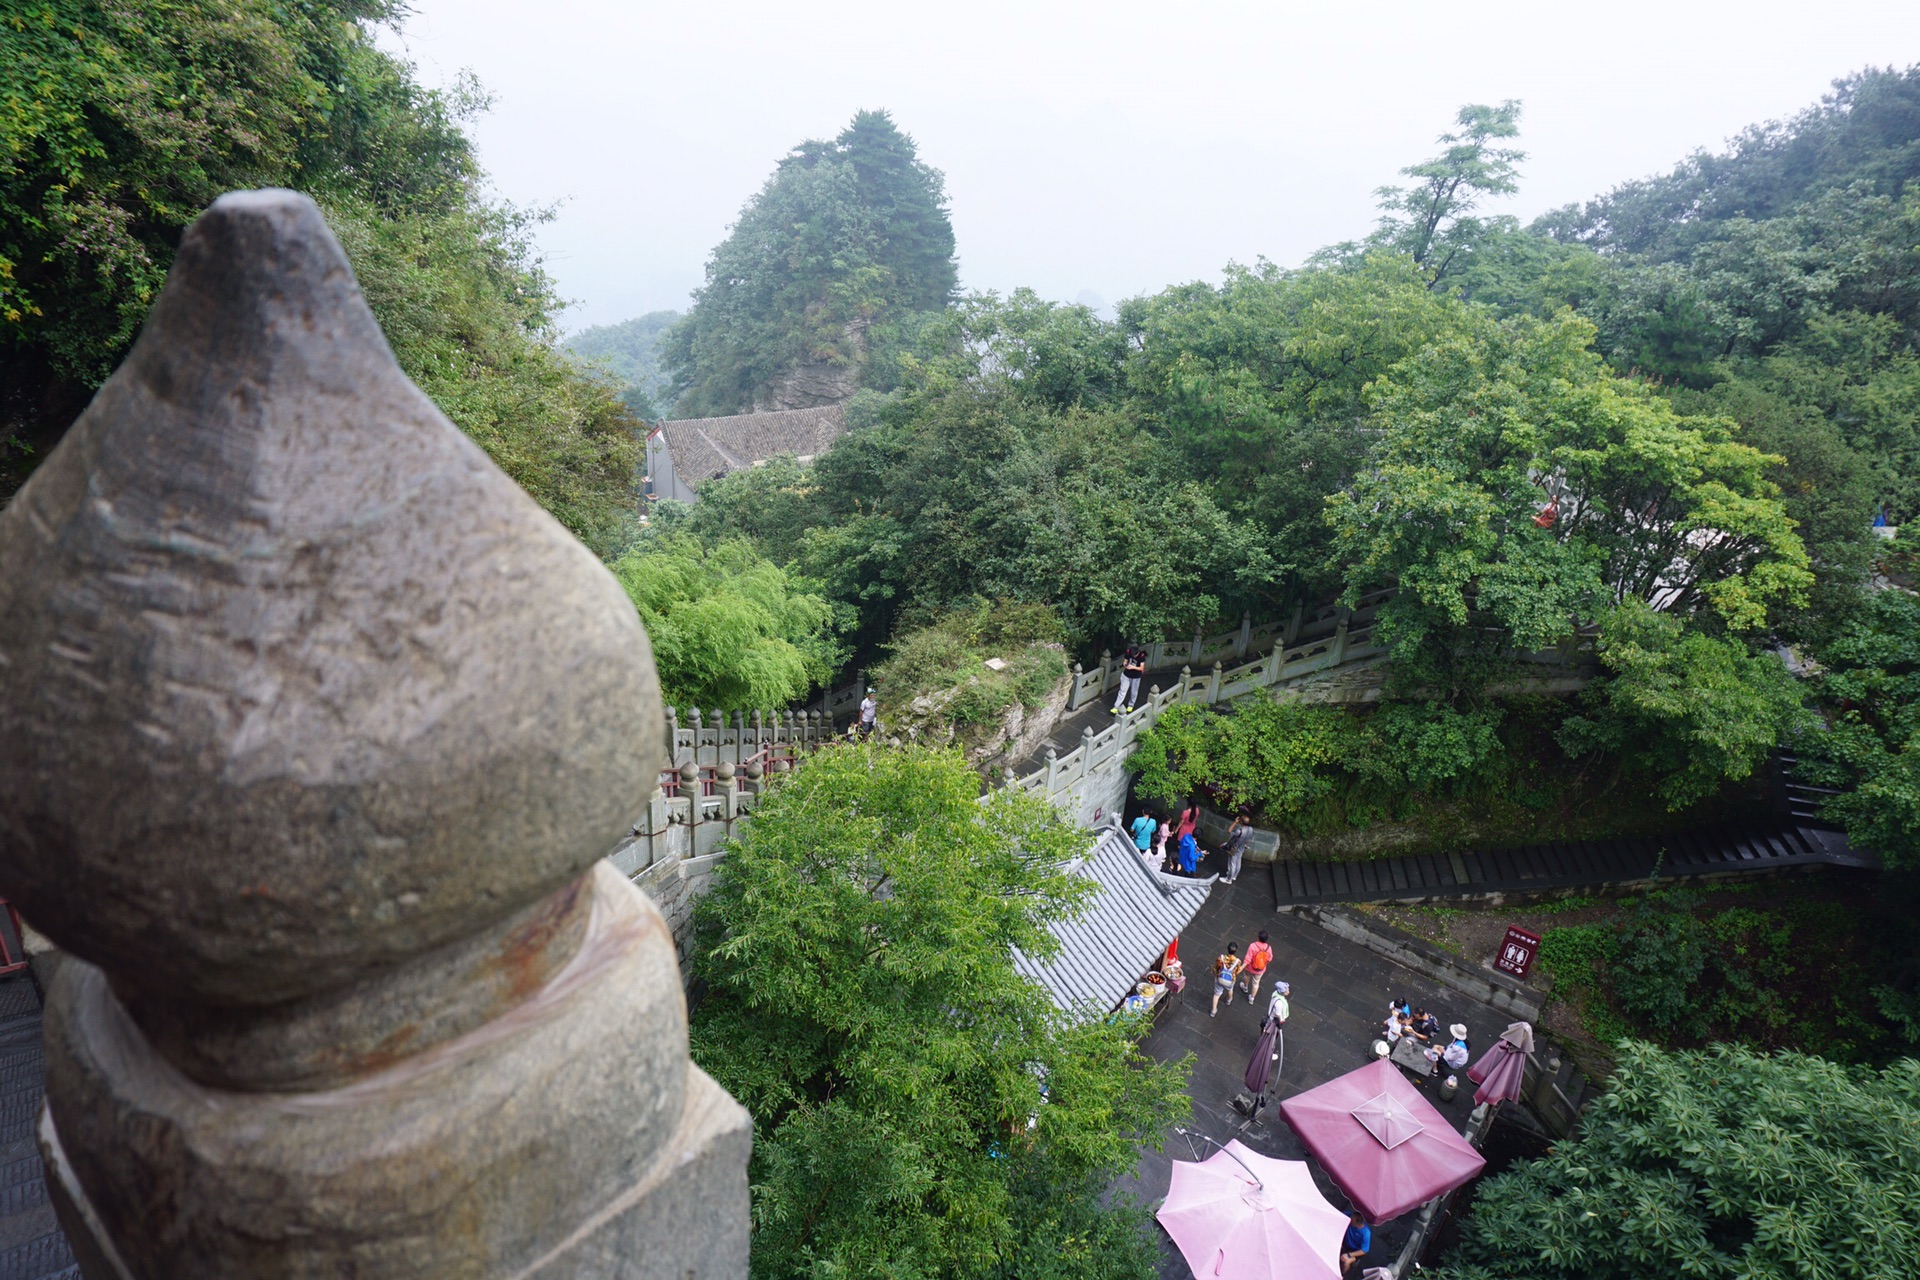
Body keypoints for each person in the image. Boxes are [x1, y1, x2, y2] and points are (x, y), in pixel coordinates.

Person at [1238, 929, 1273, 1000]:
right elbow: (1270, 958)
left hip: (1250, 967)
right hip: (1260, 970)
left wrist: (1241, 967)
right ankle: (1252, 998)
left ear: (1258, 937)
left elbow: (1248, 959)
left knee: (1247, 975)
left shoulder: (1253, 946)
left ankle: (1245, 987)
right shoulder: (1268, 948)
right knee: (1256, 983)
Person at [1111, 644, 1147, 713]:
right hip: (1126, 675)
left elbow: (1141, 668)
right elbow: (1125, 661)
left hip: (1136, 676)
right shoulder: (1128, 652)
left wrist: (1133, 667)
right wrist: (1125, 665)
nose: (1133, 656)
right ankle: (1116, 706)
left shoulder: (1141, 656)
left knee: (1134, 692)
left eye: (1134, 655)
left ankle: (1131, 705)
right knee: (1122, 691)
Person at [1221, 812, 1253, 884]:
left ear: (1241, 821)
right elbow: (1248, 839)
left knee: (1232, 864)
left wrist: (1235, 822)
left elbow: (1229, 831)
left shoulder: (1239, 831)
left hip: (1235, 848)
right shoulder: (1250, 829)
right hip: (1242, 848)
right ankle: (1234, 876)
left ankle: (1228, 879)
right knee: (1238, 862)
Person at [1210, 945, 1240, 1017]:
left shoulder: (1221, 958)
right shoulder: (1237, 961)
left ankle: (1213, 1011)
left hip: (1219, 978)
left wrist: (1212, 971)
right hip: (1230, 980)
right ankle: (1229, 1000)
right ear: (1235, 951)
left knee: (1216, 994)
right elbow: (1237, 971)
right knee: (1230, 989)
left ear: (1227, 949)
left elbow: (1216, 966)